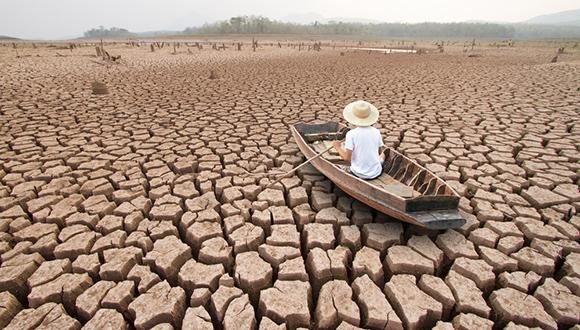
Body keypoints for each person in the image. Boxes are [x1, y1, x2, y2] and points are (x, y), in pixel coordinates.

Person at [332, 100, 385, 180]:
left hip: (358, 173)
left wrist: (337, 147)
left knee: (341, 166)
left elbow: (347, 159)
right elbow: (379, 152)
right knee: (383, 155)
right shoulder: (376, 132)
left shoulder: (351, 134)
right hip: (376, 173)